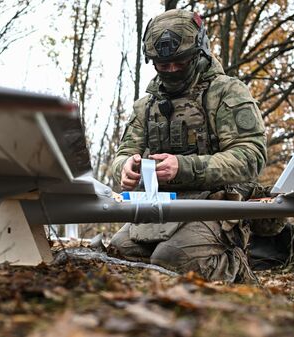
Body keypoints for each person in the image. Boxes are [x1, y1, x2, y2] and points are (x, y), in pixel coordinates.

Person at [110, 9, 268, 283]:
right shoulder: (146, 106)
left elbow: (251, 156)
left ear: (199, 52)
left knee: (173, 258)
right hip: (161, 207)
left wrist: (184, 167)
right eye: (163, 64)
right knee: (118, 254)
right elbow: (123, 153)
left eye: (180, 63)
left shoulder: (226, 92)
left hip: (216, 206)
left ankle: (237, 273)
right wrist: (123, 167)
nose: (171, 70)